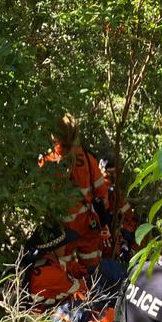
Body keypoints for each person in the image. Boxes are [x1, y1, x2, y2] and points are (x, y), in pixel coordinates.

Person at [39, 114, 110, 273]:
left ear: (54, 134)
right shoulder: (87, 157)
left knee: (65, 270)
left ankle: (75, 294)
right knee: (91, 270)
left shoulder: (47, 162)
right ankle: (92, 292)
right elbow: (102, 193)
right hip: (87, 225)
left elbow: (40, 201)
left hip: (63, 232)